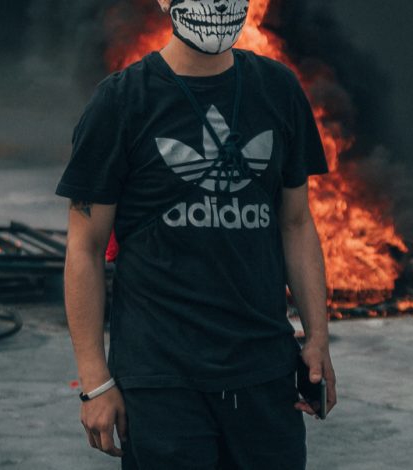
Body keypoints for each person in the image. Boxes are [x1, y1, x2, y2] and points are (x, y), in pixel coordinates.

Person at [54, 0, 337, 468]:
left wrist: (317, 338)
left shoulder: (278, 89)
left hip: (263, 372)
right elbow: (83, 247)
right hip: (161, 381)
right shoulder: (121, 102)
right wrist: (95, 381)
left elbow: (296, 222)